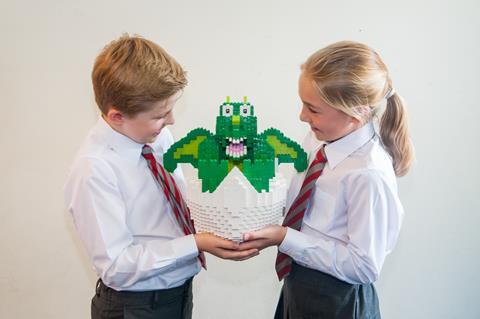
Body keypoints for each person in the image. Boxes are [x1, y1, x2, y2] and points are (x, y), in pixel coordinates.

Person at [64, 34, 258, 319]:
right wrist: (195, 243)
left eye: (170, 110)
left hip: (177, 294)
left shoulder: (157, 136)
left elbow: (175, 202)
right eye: (160, 115)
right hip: (135, 306)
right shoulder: (94, 169)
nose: (171, 121)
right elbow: (117, 268)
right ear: (117, 116)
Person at [240, 41, 414, 318]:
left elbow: (363, 266)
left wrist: (286, 238)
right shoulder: (319, 138)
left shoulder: (368, 175)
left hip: (338, 300)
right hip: (298, 283)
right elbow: (303, 203)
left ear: (355, 113)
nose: (302, 116)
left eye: (313, 109)